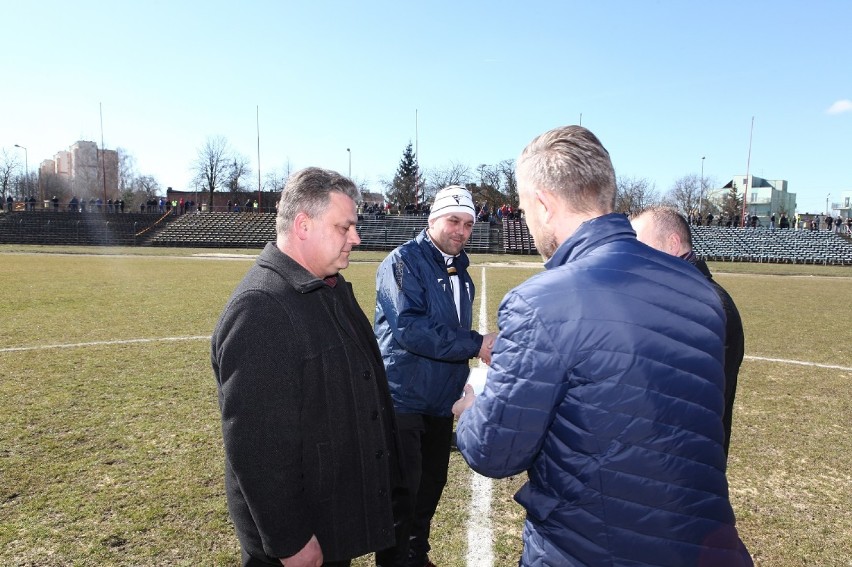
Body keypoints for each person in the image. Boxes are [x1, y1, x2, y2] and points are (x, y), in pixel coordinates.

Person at [453, 125, 752, 566]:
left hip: (589, 548)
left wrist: (469, 409)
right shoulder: (704, 295)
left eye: (524, 207)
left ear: (543, 204)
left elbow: (494, 451)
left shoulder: (540, 301)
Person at [212, 167, 403, 567]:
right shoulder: (262, 308)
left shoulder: (325, 288)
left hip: (328, 521)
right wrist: (290, 540)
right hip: (299, 546)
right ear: (303, 225)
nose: (356, 238)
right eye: (344, 227)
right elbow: (257, 445)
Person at [374, 185, 496, 567]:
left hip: (441, 400)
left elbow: (448, 332)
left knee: (429, 490)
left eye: (467, 224)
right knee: (403, 496)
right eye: (453, 220)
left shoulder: (462, 271)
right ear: (432, 219)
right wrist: (477, 345)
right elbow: (411, 329)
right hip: (403, 398)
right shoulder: (403, 261)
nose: (460, 230)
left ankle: (416, 556)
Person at [630, 205, 745, 456]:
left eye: (640, 245)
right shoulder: (683, 297)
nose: (633, 255)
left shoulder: (702, 305)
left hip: (680, 464)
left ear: (673, 243)